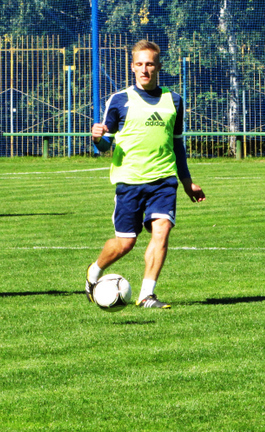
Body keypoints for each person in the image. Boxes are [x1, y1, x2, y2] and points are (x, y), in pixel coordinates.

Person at [85, 40, 205, 309]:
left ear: (159, 66)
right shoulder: (119, 100)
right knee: (125, 243)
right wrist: (98, 139)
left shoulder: (174, 100)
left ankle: (146, 295)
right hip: (129, 182)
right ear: (132, 67)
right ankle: (94, 271)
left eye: (149, 64)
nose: (144, 69)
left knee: (161, 231)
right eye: (139, 64)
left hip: (164, 180)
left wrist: (187, 183)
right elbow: (105, 145)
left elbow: (177, 144)